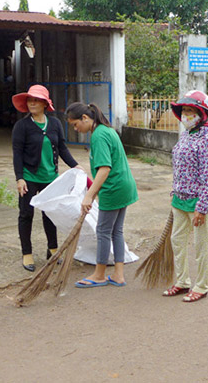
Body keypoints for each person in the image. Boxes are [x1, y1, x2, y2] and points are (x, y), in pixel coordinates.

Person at [66, 102, 138, 288]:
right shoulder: (107, 130)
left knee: (103, 231)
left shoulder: (98, 135)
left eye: (75, 124)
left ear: (85, 118)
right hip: (124, 186)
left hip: (113, 189)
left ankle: (99, 274)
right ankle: (118, 274)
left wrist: (89, 196)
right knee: (116, 231)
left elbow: (104, 169)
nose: (75, 129)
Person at [12, 85, 79, 271]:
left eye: (36, 100)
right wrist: (19, 178)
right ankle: (27, 253)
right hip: (29, 176)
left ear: (44, 104)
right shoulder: (22, 126)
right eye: (30, 100)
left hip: (50, 177)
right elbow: (17, 153)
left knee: (50, 214)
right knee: (26, 214)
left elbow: (62, 148)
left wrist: (75, 166)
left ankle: (52, 249)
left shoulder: (55, 123)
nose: (32, 103)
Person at [162, 91, 208, 303]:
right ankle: (182, 281)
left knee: (201, 246)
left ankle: (201, 286)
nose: (186, 114)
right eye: (184, 110)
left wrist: (202, 207)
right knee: (177, 241)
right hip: (179, 198)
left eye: (190, 110)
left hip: (197, 201)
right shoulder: (186, 134)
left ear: (202, 114)